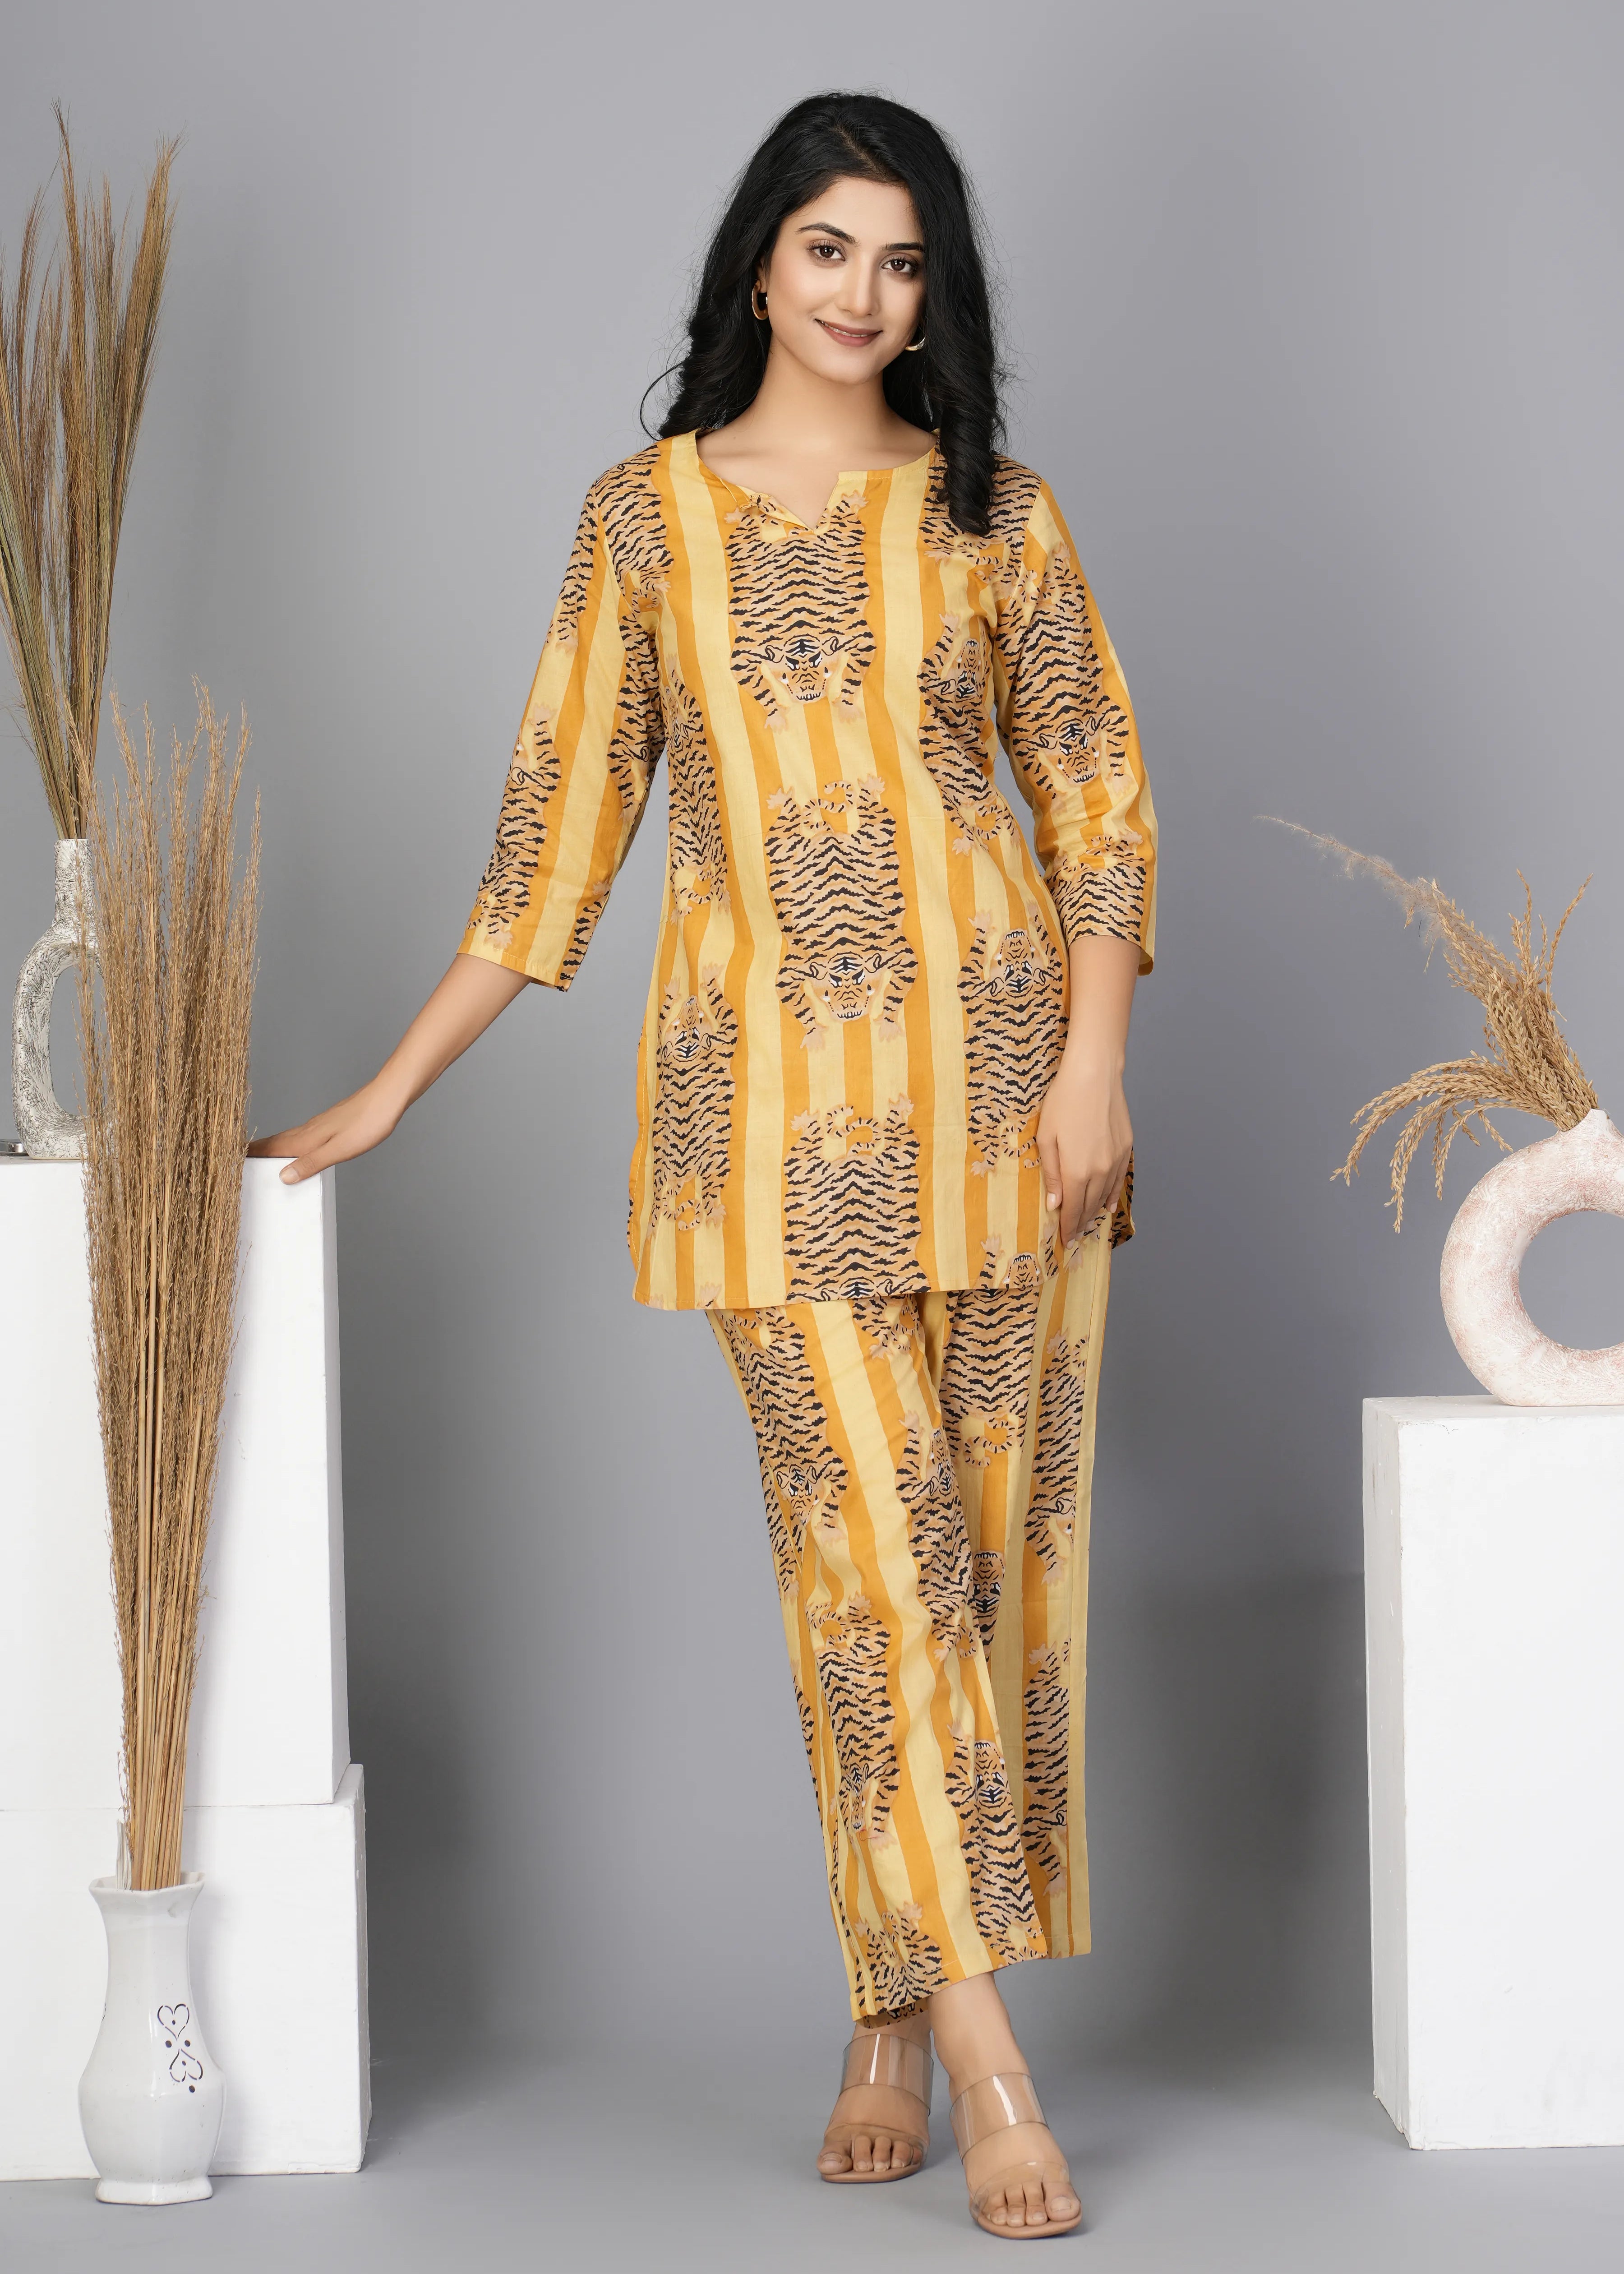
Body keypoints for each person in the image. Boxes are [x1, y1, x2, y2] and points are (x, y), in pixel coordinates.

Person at [252, 88, 1157, 2240]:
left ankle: (882, 2020)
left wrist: (1098, 1073)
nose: (865, 293)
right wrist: (392, 1090)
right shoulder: (644, 520)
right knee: (879, 1574)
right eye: (830, 247)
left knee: (982, 1584)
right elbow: (554, 834)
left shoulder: (997, 513)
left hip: (1014, 1107)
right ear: (761, 258)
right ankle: (994, 2062)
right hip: (761, 1137)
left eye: (905, 261)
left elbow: (1097, 798)